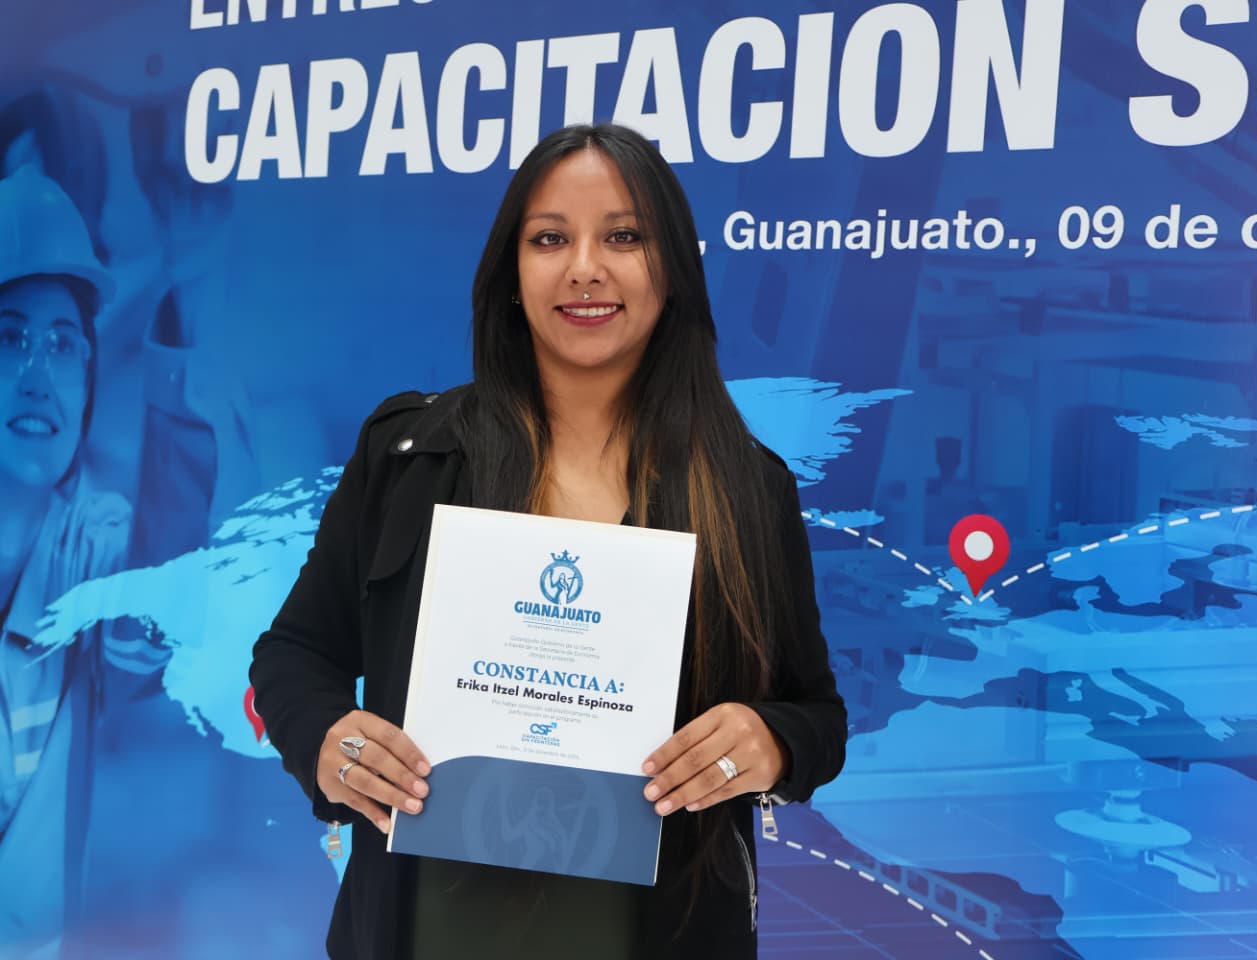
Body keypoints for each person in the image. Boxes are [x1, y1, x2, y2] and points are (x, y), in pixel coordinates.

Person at [250, 123, 847, 959]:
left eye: (625, 237)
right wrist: (324, 739)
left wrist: (772, 742)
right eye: (550, 238)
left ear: (673, 268)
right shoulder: (409, 457)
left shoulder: (747, 488)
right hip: (426, 930)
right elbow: (294, 652)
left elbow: (817, 716)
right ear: (511, 271)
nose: (585, 268)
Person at [0, 166, 133, 955]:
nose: (36, 376)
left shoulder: (97, 549)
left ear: (88, 378)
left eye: (61, 345)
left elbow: (149, 642)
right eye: (9, 338)